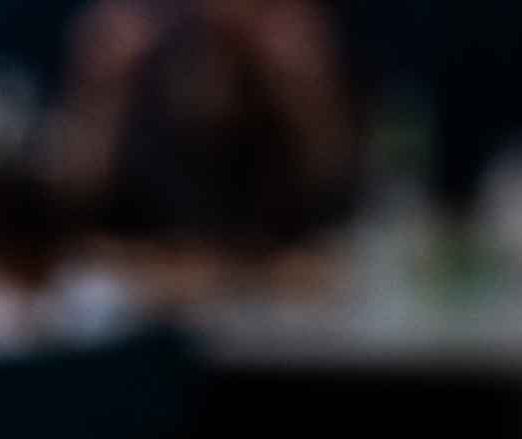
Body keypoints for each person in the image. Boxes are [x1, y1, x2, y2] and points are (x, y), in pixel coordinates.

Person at [53, 0, 360, 258]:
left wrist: (310, 96)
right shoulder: (132, 48)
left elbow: (338, 199)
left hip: (275, 284)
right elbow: (70, 204)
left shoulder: (287, 52)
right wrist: (98, 94)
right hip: (140, 280)